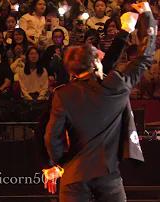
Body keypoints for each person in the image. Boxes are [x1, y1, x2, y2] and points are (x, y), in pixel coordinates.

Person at [43, 2, 156, 201]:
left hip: (73, 176)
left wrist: (63, 164)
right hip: (107, 174)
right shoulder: (115, 86)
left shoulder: (62, 94)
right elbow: (144, 58)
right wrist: (147, 16)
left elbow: (51, 137)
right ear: (96, 63)